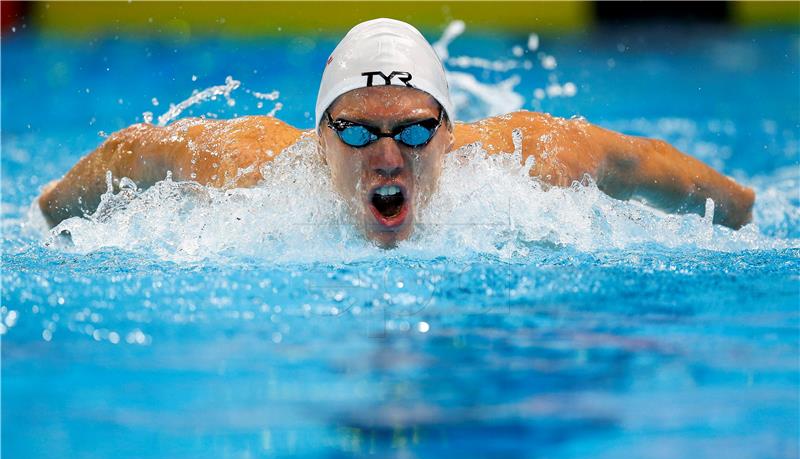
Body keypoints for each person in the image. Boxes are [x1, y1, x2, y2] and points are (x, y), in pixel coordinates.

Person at [38, 18, 755, 248]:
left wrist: (747, 216)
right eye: (355, 134)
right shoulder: (255, 169)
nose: (387, 157)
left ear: (450, 133)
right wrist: (46, 219)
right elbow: (135, 151)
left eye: (413, 132)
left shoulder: (519, 163)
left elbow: (639, 161)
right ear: (317, 139)